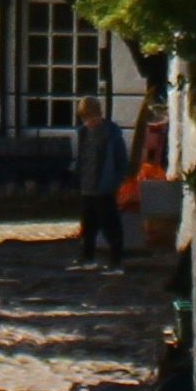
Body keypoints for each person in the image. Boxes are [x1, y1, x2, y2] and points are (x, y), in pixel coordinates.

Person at [71, 93, 130, 266]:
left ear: (99, 114)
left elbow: (121, 162)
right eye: (86, 119)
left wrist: (116, 182)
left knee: (110, 225)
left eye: (92, 118)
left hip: (105, 187)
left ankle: (116, 259)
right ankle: (87, 257)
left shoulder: (111, 135)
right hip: (87, 186)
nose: (89, 122)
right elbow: (82, 158)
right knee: (88, 225)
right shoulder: (83, 133)